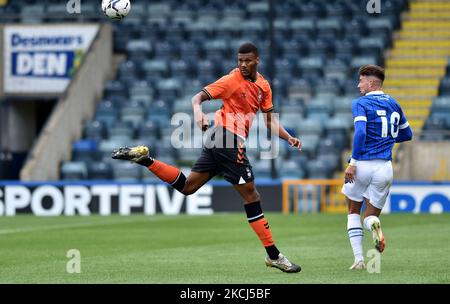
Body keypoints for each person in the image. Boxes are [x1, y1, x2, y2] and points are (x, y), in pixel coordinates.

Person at [112, 42, 303, 273]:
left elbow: (270, 122)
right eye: (239, 60)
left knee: (188, 187)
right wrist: (198, 114)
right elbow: (197, 98)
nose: (242, 65)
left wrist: (288, 137)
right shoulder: (231, 80)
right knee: (252, 197)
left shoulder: (264, 86)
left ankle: (145, 160)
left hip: (217, 139)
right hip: (227, 138)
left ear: (257, 61)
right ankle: (274, 256)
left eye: (247, 61)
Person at [342, 64, 413, 270]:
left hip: (362, 163)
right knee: (371, 216)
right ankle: (373, 224)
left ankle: (359, 260)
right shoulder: (394, 103)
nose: (358, 85)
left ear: (372, 82)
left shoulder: (361, 103)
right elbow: (407, 134)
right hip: (385, 168)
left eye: (361, 81)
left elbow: (361, 133)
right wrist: (386, 140)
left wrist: (353, 163)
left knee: (353, 210)